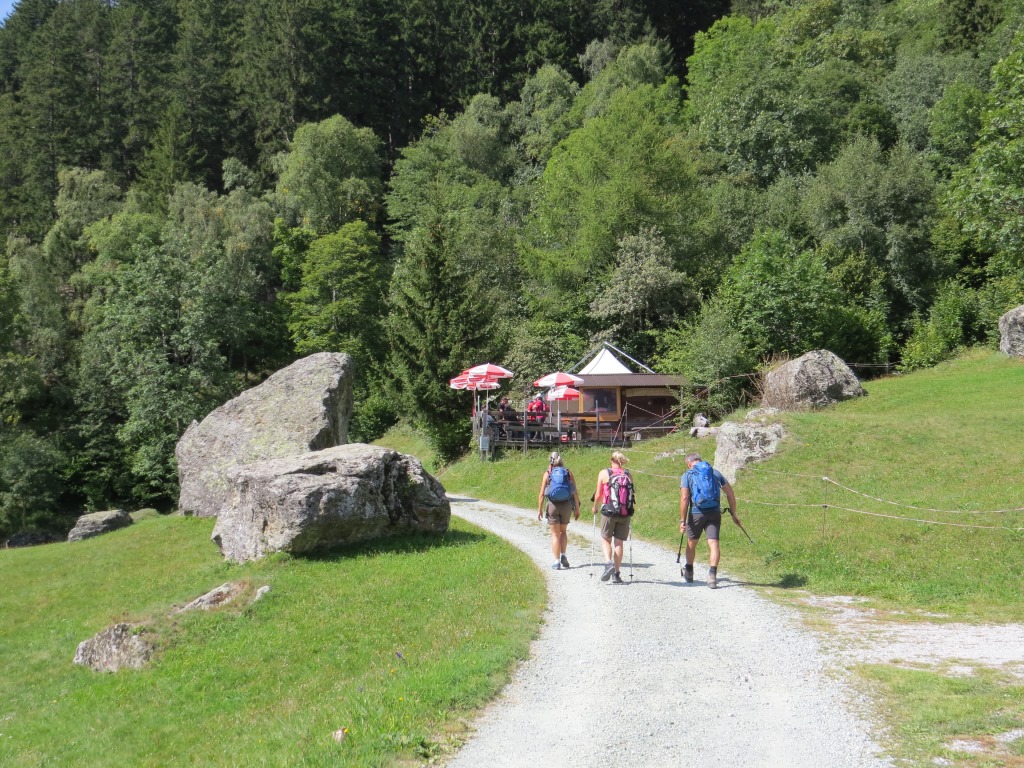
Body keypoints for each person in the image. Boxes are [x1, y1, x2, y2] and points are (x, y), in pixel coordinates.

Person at [679, 452, 740, 589]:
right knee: (713, 543)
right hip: (714, 512)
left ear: (689, 464)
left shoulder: (688, 475)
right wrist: (733, 513)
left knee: (692, 542)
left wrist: (682, 520)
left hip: (696, 513)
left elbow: (684, 498)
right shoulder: (714, 472)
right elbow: (730, 493)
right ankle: (712, 575)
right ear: (700, 460)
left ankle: (689, 570)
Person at [592, 451, 634, 584]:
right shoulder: (627, 474)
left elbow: (598, 494)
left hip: (608, 511)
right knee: (619, 542)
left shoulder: (604, 473)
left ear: (611, 460)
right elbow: (632, 494)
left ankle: (608, 563)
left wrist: (595, 506)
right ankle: (616, 574)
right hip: (624, 512)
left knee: (605, 539)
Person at [537, 452, 581, 569]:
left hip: (552, 506)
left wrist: (539, 509)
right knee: (563, 532)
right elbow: (574, 492)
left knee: (555, 535)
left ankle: (556, 562)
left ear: (550, 461)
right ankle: (563, 555)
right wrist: (577, 508)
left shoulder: (548, 474)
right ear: (561, 461)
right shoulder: (568, 473)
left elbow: (541, 494)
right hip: (566, 505)